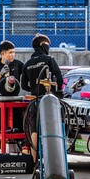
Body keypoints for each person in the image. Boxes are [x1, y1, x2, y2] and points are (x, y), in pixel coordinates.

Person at [21, 34, 63, 162]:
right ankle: (53, 160)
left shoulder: (27, 63)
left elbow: (23, 85)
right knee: (54, 127)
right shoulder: (49, 59)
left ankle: (34, 160)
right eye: (47, 45)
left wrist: (35, 89)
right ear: (42, 45)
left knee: (34, 129)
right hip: (49, 100)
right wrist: (57, 92)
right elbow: (59, 79)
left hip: (35, 100)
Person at [0, 40, 24, 156]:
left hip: (14, 101)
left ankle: (17, 152)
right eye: (10, 53)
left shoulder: (18, 65)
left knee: (17, 128)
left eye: (14, 52)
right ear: (2, 54)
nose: (12, 55)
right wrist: (1, 73)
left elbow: (27, 73)